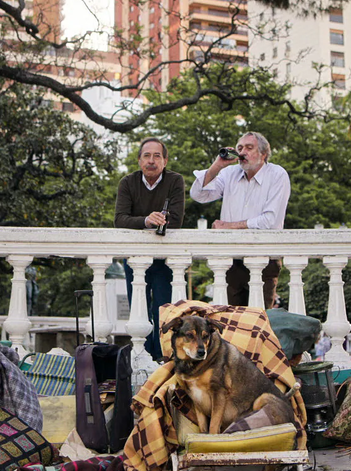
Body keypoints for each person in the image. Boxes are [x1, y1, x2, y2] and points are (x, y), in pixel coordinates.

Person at [190, 131, 290, 308]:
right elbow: (198, 194)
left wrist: (228, 226)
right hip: (231, 259)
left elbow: (269, 221)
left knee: (258, 318)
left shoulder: (277, 175)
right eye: (240, 148)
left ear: (263, 154)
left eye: (249, 148)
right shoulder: (229, 173)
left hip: (264, 258)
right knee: (230, 318)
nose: (242, 152)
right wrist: (217, 165)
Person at [114, 138, 185, 360]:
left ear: (165, 161)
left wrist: (161, 220)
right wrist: (147, 220)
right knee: (139, 310)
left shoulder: (175, 181)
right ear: (139, 160)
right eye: (146, 156)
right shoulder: (128, 183)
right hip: (135, 258)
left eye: (157, 156)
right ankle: (141, 359)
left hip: (164, 258)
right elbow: (119, 219)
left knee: (163, 312)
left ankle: (161, 359)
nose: (151, 161)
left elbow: (177, 220)